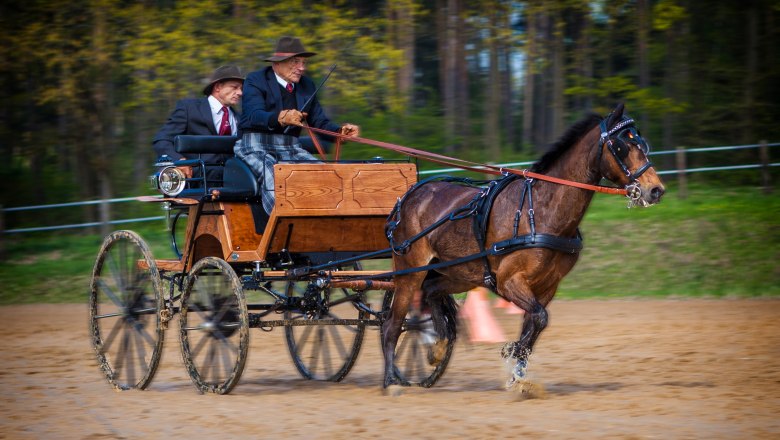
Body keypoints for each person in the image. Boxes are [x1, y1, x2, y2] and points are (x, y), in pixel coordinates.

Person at [235, 36, 360, 218]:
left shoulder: (307, 85)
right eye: (295, 62)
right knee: (277, 178)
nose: (302, 68)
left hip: (291, 147)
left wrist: (339, 132)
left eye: (303, 62)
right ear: (277, 63)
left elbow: (320, 122)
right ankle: (284, 228)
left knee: (326, 177)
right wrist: (281, 117)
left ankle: (327, 223)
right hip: (255, 146)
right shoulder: (256, 80)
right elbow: (253, 115)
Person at [152, 65, 245, 183]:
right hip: (195, 183)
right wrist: (179, 161)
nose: (240, 92)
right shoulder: (188, 108)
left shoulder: (240, 119)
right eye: (234, 87)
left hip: (232, 184)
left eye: (241, 88)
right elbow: (162, 140)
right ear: (217, 87)